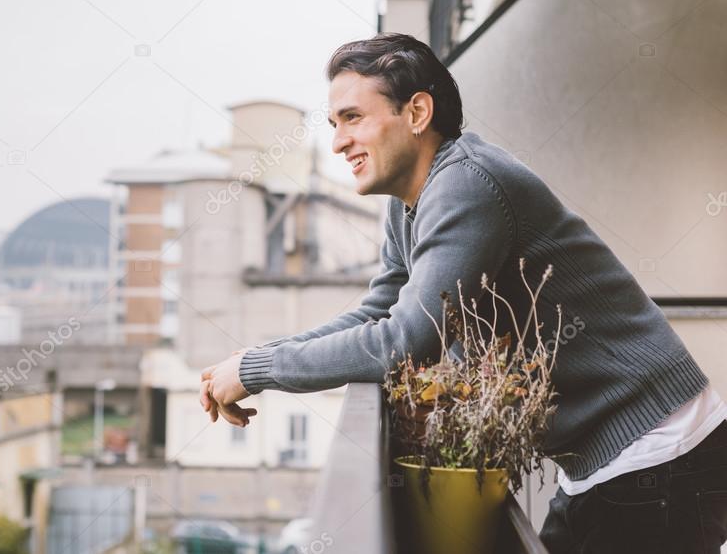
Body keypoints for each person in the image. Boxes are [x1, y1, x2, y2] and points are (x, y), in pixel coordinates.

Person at [199, 33, 727, 553]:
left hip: (661, 454)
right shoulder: (411, 198)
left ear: (417, 112)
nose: (338, 142)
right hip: (609, 459)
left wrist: (257, 371)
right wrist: (256, 359)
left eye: (353, 118)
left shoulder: (466, 184)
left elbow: (403, 342)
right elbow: (379, 312)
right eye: (335, 124)